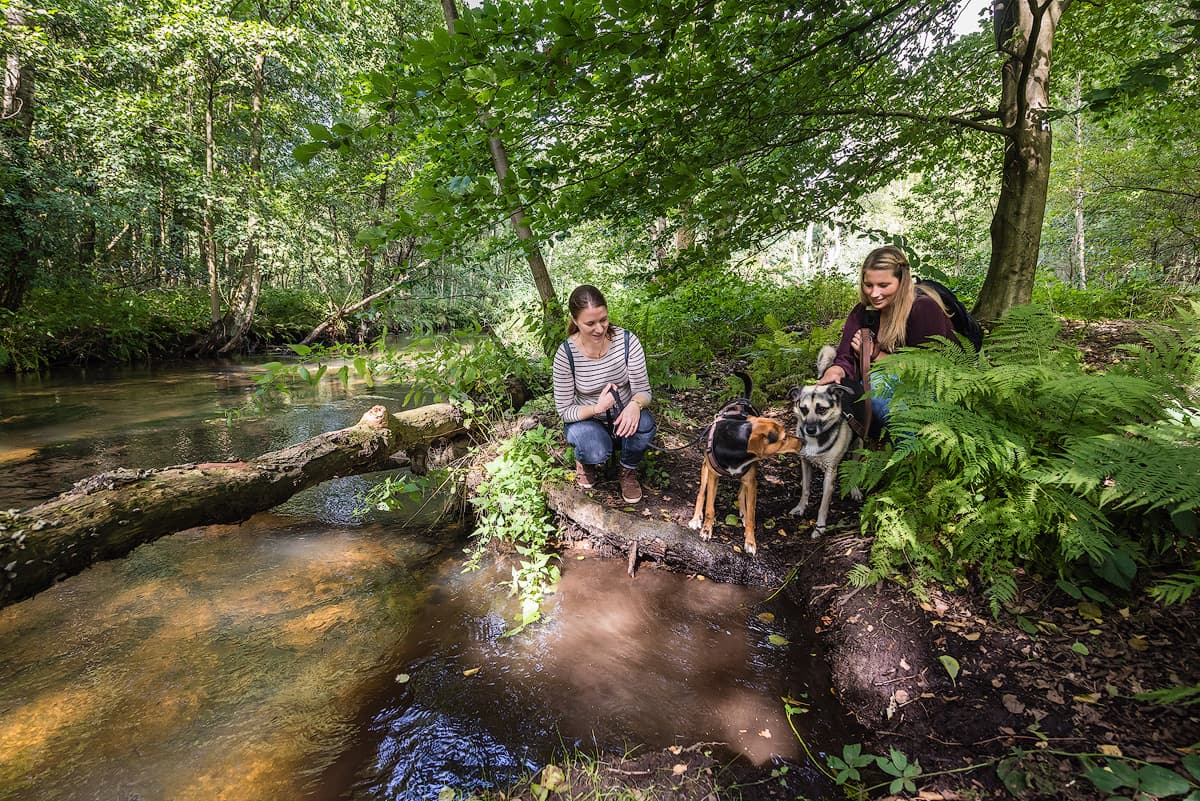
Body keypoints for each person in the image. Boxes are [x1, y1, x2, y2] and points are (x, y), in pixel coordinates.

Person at [817, 245, 955, 434]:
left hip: (931, 389)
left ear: (902, 281)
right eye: (868, 285)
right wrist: (836, 370)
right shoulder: (862, 312)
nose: (874, 293)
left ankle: (910, 449)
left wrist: (875, 354)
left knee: (876, 390)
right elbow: (845, 355)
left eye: (883, 285)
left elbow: (928, 371)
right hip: (878, 384)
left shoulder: (924, 309)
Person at [553, 285, 656, 503]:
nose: (599, 329)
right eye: (590, 323)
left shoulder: (628, 342)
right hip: (587, 420)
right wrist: (597, 408)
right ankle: (586, 461)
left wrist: (635, 405)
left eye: (603, 320)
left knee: (645, 423)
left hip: (623, 418)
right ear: (574, 320)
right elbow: (564, 411)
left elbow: (644, 392)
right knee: (596, 450)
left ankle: (627, 471)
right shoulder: (566, 355)